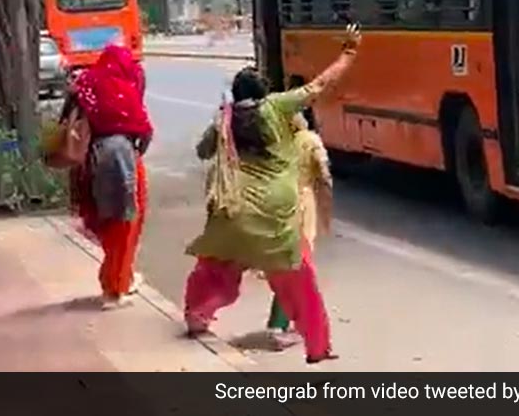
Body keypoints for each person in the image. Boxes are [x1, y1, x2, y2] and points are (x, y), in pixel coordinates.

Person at [183, 24, 361, 364]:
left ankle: (197, 316)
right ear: (263, 92)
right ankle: (317, 347)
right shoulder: (276, 107)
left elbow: (203, 151)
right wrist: (349, 52)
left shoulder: (225, 120)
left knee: (213, 269)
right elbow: (320, 85)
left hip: (231, 213)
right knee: (300, 282)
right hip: (276, 219)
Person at [62, 44, 154, 309]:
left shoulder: (87, 85)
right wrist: (137, 153)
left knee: (104, 217)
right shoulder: (126, 89)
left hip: (89, 160)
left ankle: (119, 277)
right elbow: (145, 130)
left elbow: (67, 117)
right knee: (126, 223)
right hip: (124, 158)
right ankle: (114, 288)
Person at [264, 111, 333, 349]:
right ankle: (279, 325)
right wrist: (326, 207)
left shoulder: (277, 144)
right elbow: (325, 176)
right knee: (296, 267)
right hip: (301, 208)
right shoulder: (311, 141)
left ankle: (285, 321)